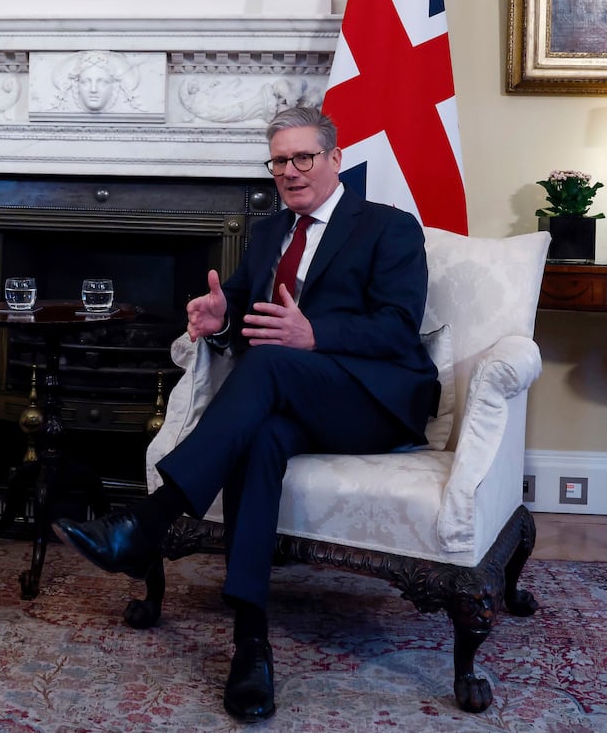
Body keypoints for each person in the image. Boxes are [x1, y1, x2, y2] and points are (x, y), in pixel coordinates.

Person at [54, 105, 437, 720]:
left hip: (373, 400)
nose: (289, 171)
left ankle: (148, 522)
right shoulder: (267, 233)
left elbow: (399, 328)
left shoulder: (388, 228)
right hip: (288, 397)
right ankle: (250, 643)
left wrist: (314, 334)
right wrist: (219, 318)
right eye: (279, 161)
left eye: (303, 157)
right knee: (258, 440)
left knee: (269, 361)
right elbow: (236, 308)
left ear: (335, 159)